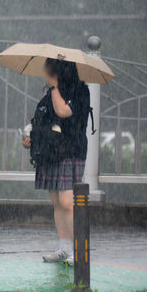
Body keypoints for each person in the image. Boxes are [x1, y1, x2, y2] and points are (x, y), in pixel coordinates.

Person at [22, 59, 90, 266]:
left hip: (69, 151)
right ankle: (64, 248)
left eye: (50, 71)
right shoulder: (48, 95)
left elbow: (63, 112)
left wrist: (54, 87)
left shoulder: (79, 91)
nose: (46, 74)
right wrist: (30, 139)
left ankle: (79, 251)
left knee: (68, 203)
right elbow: (39, 122)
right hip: (49, 154)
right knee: (57, 203)